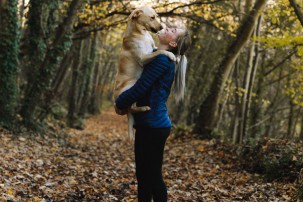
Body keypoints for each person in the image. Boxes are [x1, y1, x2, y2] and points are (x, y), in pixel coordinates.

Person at [115, 27, 192, 202]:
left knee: (152, 177)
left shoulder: (162, 61)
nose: (167, 27)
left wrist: (119, 103)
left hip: (154, 126)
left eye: (173, 30)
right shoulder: (157, 56)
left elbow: (141, 87)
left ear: (172, 43)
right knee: (144, 177)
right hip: (149, 125)